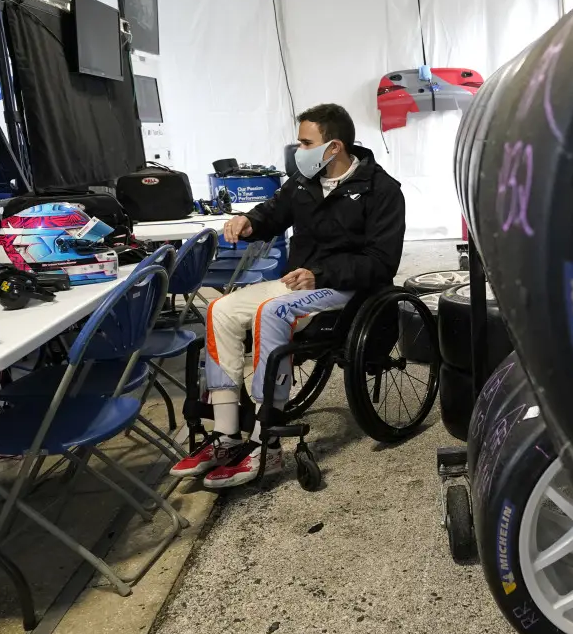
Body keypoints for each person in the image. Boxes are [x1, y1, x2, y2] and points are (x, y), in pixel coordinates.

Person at [170, 103, 406, 488]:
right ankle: (227, 437)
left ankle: (269, 442)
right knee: (221, 310)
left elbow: (382, 262)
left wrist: (321, 273)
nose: (298, 149)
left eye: (305, 142)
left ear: (334, 147)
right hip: (299, 281)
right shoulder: (302, 181)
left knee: (272, 313)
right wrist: (249, 222)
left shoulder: (381, 190)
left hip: (346, 289)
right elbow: (274, 212)